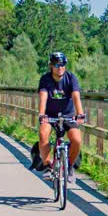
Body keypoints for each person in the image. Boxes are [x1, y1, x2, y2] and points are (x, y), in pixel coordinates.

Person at [36, 51, 85, 183]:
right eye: (57, 65)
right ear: (51, 66)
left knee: (77, 140)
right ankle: (47, 166)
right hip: (50, 115)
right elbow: (43, 97)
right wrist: (42, 114)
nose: (60, 68)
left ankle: (69, 165)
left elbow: (76, 96)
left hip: (68, 115)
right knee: (43, 133)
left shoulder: (71, 78)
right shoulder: (45, 79)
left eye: (63, 65)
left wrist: (79, 114)